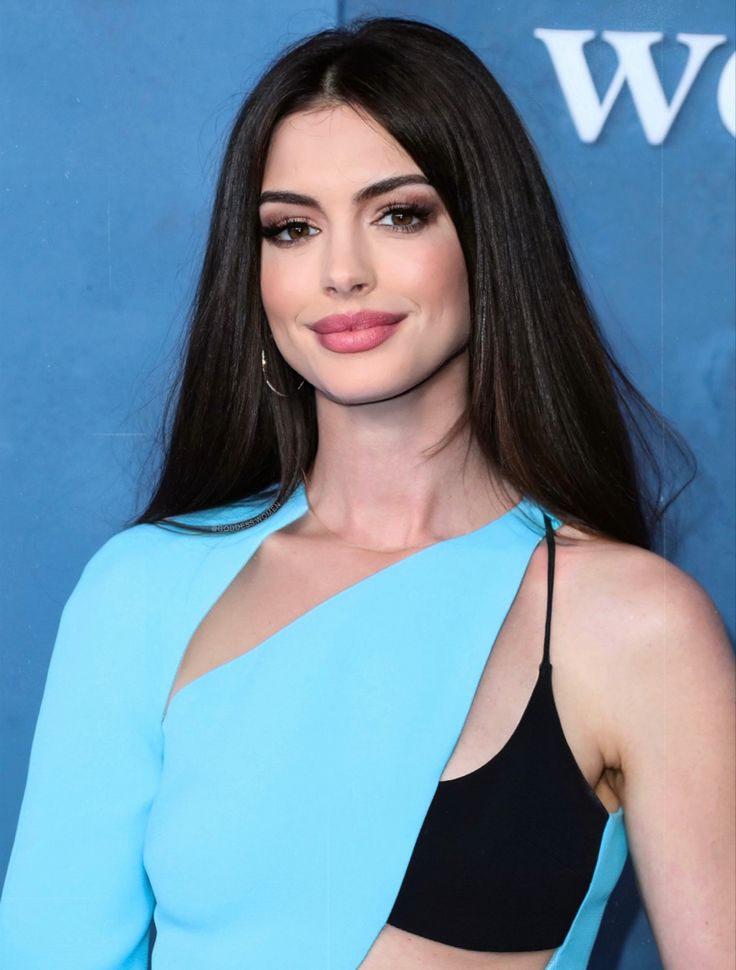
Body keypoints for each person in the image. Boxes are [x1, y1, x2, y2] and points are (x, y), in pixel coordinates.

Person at [1, 15, 733, 970]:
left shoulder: (633, 625)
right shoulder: (141, 592)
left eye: (400, 214)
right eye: (293, 228)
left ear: (486, 239)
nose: (341, 271)